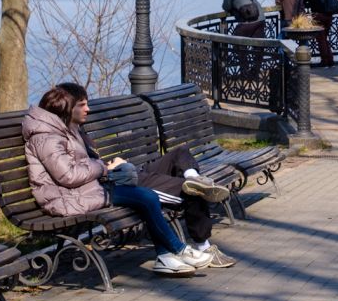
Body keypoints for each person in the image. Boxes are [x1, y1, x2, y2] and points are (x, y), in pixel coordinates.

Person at [22, 83, 236, 275]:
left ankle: (194, 181)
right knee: (150, 196)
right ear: (66, 108)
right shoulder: (47, 136)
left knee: (180, 159)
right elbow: (68, 175)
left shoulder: (67, 128)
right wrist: (104, 167)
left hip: (95, 184)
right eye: (82, 105)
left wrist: (110, 166)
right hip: (72, 196)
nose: (88, 109)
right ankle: (183, 249)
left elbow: (82, 165)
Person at [301, 0, 335, 67]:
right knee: (324, 38)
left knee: (321, 39)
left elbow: (302, 1)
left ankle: (325, 61)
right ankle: (330, 61)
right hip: (329, 15)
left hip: (318, 16)